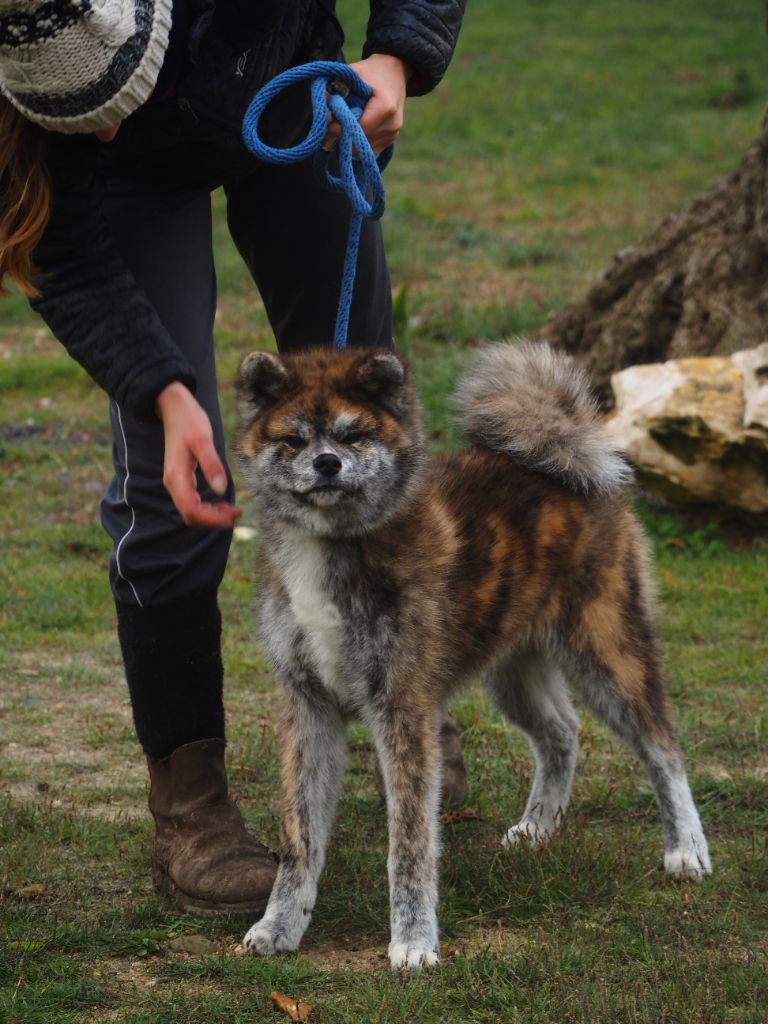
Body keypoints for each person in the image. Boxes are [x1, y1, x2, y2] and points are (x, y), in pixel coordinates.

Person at [0, 0, 467, 917]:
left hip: (286, 85)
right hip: (126, 185)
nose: (103, 114)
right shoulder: (45, 90)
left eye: (109, 93)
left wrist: (396, 58)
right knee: (169, 489)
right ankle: (190, 807)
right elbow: (67, 255)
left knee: (371, 435)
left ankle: (408, 699)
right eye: (77, 104)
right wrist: (167, 396)